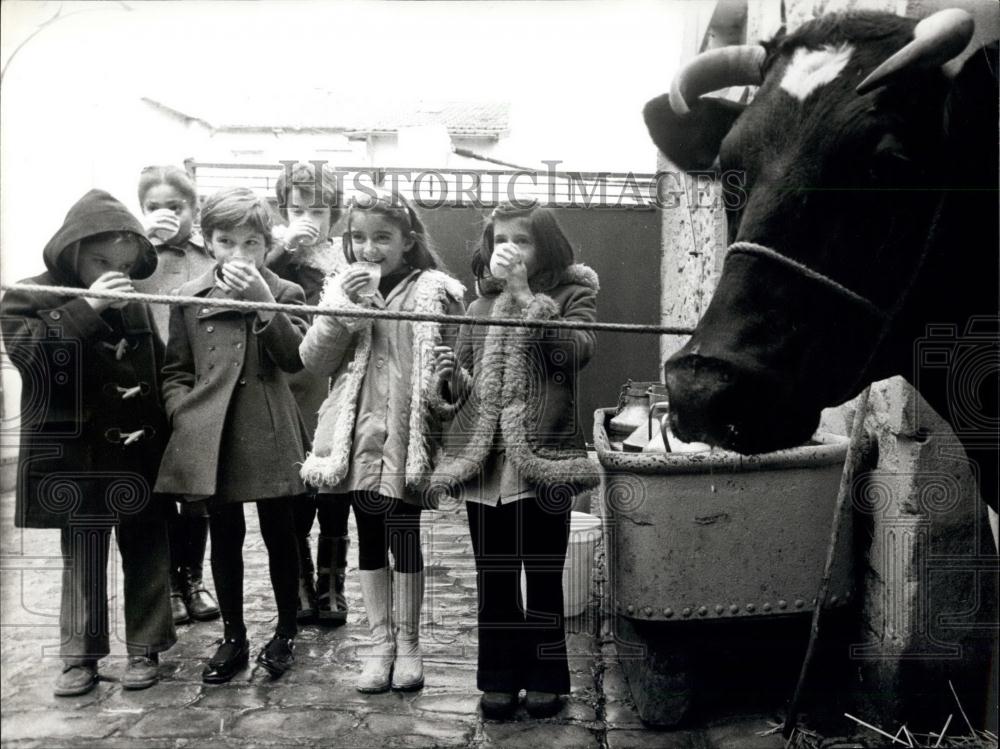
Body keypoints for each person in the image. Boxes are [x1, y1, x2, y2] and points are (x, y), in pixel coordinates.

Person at [1, 189, 176, 696]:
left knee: (147, 548)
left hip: (137, 452)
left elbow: (156, 368)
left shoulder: (135, 303)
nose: (112, 273)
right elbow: (31, 358)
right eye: (100, 261)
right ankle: (79, 656)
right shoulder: (27, 295)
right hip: (74, 455)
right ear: (71, 249)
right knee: (81, 553)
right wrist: (89, 307)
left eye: (122, 265)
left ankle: (145, 648)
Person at [430, 201, 601, 719]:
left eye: (522, 240)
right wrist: (451, 378)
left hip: (544, 459)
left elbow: (575, 353)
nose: (509, 249)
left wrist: (528, 298)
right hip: (488, 469)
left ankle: (546, 677)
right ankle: (500, 678)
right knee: (495, 577)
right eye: (501, 239)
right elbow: (465, 391)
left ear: (544, 247)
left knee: (544, 576)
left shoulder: (573, 294)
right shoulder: (477, 308)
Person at [299, 187, 465, 693]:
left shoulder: (436, 292)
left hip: (406, 438)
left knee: (404, 535)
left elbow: (455, 381)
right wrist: (342, 310)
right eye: (358, 238)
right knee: (369, 536)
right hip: (358, 437)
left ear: (407, 240)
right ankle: (379, 644)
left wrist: (450, 377)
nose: (369, 249)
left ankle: (409, 644)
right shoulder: (340, 289)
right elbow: (315, 361)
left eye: (382, 238)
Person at [154, 187, 309, 683]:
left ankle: (286, 630)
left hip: (268, 426)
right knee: (224, 536)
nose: (238, 254)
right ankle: (234, 635)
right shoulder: (189, 296)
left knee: (281, 533)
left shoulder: (285, 292)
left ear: (268, 244)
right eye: (226, 242)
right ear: (208, 242)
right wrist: (183, 413)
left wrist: (264, 302)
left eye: (251, 243)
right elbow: (176, 370)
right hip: (214, 431)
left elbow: (295, 359)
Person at [133, 165, 220, 626]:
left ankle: (194, 578)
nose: (165, 214)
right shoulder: (133, 257)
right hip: (147, 383)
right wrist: (141, 244)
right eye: (154, 207)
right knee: (159, 487)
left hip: (197, 383)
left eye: (175, 206)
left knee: (196, 487)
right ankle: (168, 582)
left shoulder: (208, 256)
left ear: (194, 209)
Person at [267, 162, 349, 624]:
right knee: (295, 489)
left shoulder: (343, 259)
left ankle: (332, 583)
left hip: (335, 385)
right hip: (292, 384)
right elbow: (255, 287)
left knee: (334, 486)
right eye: (298, 210)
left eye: (317, 211)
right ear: (283, 211)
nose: (307, 220)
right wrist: (283, 249)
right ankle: (298, 579)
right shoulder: (274, 256)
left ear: (334, 215)